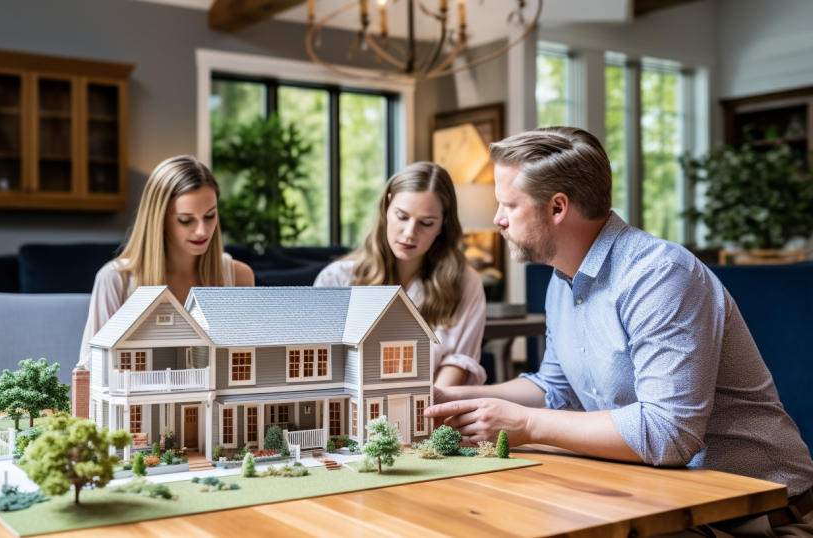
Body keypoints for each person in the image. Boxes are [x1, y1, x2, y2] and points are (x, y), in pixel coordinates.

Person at [425, 127, 813, 536]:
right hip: (666, 504)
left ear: (558, 207)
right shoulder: (563, 281)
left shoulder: (659, 276)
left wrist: (527, 425)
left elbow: (669, 435)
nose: (497, 219)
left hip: (761, 519)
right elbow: (556, 388)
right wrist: (455, 398)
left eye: (509, 204)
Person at [314, 161, 487, 387]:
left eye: (426, 223)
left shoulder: (465, 283)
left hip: (431, 412)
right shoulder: (336, 279)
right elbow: (322, 363)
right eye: (402, 217)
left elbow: (458, 363)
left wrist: (423, 414)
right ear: (387, 206)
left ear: (443, 224)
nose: (409, 233)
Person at [77, 155, 254, 369]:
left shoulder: (238, 277)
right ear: (159, 220)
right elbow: (89, 369)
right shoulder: (115, 280)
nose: (202, 230)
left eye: (210, 216)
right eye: (186, 220)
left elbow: (245, 362)